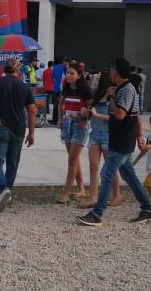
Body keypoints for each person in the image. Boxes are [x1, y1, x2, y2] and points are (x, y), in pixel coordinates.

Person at [77, 58, 151, 226]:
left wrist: (112, 100)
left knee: (106, 173)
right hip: (121, 139)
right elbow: (133, 115)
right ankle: (147, 208)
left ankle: (97, 214)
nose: (110, 74)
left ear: (116, 71)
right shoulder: (125, 88)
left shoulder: (126, 90)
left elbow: (121, 115)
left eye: (112, 70)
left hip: (122, 140)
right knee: (129, 175)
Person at [0, 58, 36, 212]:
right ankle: (8, 192)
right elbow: (32, 110)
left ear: (4, 69)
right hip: (19, 128)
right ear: (17, 70)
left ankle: (3, 189)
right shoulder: (24, 87)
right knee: (13, 162)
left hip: (2, 126)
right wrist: (32, 132)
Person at [78, 75, 121, 209]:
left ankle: (116, 194)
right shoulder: (96, 99)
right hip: (95, 135)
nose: (93, 83)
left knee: (111, 167)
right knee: (93, 166)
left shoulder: (113, 100)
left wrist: (96, 115)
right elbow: (89, 114)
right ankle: (93, 197)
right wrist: (85, 112)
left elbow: (115, 118)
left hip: (108, 136)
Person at [56, 65, 91, 203]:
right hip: (67, 124)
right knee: (73, 160)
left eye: (72, 73)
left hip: (80, 125)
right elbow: (60, 104)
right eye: (68, 73)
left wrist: (84, 110)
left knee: (71, 160)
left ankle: (66, 193)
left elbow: (90, 107)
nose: (68, 75)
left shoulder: (85, 90)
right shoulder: (67, 88)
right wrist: (60, 119)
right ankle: (81, 188)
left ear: (79, 75)